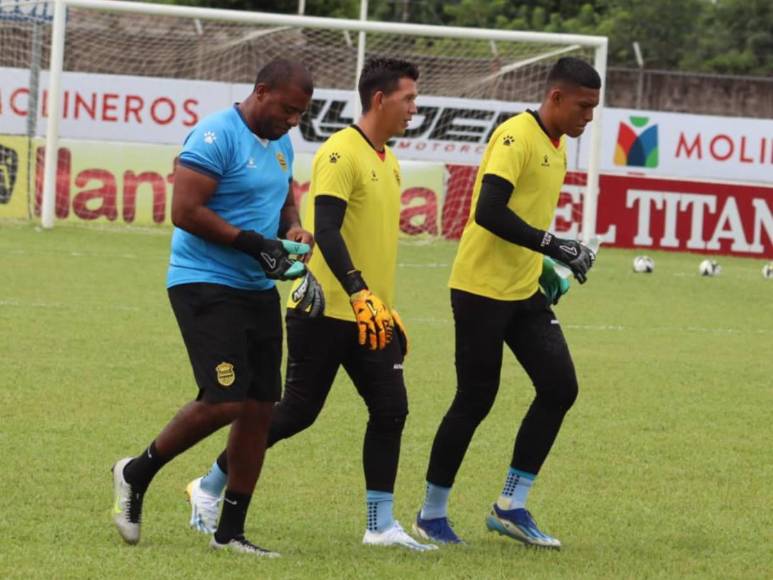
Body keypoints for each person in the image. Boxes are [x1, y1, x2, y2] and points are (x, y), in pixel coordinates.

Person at [185, 57, 435, 552]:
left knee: (391, 409)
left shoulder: (389, 159)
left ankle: (380, 525)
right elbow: (328, 231)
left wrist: (381, 305)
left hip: (369, 315)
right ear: (380, 99)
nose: (414, 108)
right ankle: (209, 485)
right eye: (408, 98)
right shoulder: (341, 151)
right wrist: (358, 290)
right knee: (296, 413)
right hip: (324, 310)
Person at [111, 59, 321, 558]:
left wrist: (292, 229)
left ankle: (230, 534)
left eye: (300, 114)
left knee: (259, 409)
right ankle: (135, 472)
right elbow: (184, 211)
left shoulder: (281, 143)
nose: (293, 121)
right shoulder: (214, 135)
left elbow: (284, 202)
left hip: (256, 288)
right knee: (226, 399)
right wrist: (254, 244)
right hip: (204, 282)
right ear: (261, 91)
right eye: (288, 109)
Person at [414, 57, 601, 548]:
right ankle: (431, 514)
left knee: (560, 388)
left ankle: (510, 506)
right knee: (475, 398)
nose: (589, 117)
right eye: (583, 106)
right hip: (479, 289)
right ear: (556, 97)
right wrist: (555, 245)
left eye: (594, 108)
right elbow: (489, 211)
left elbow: (526, 218)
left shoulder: (558, 145)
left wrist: (545, 265)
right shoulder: (517, 136)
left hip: (523, 289)